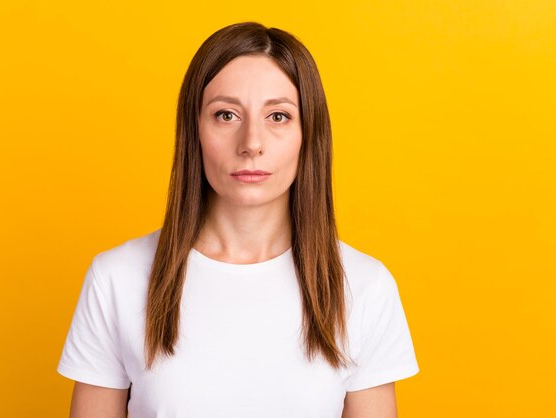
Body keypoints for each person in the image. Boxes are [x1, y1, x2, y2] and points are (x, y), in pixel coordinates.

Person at [57, 21, 419, 418]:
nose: (251, 144)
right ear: (194, 130)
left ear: (308, 133)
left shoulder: (365, 287)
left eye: (278, 117)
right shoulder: (117, 278)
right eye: (226, 115)